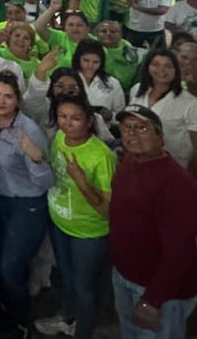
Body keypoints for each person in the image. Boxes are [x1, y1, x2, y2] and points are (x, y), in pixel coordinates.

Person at [109, 105, 197, 339]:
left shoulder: (177, 183)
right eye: (127, 128)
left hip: (157, 290)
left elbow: (179, 249)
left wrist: (153, 299)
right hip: (124, 275)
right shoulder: (128, 163)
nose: (132, 134)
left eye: (142, 127)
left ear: (160, 137)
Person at [34, 94, 116, 339]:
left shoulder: (101, 156)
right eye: (62, 117)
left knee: (84, 288)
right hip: (60, 222)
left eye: (75, 118)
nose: (67, 123)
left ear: (89, 121)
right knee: (67, 279)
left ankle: (83, 331)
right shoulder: (59, 137)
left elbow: (107, 210)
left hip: (88, 234)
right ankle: (66, 318)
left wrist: (82, 182)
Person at [0, 71, 53, 338]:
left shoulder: (28, 130)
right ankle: (4, 311)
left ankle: (20, 323)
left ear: (18, 99)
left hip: (26, 206)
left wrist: (36, 158)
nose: (1, 100)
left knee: (11, 267)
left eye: (8, 96)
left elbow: (46, 182)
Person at [128, 50, 197, 178]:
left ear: (176, 70)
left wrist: (189, 181)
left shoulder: (191, 105)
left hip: (174, 170)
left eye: (168, 66)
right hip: (139, 164)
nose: (161, 70)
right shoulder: (137, 90)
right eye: (155, 64)